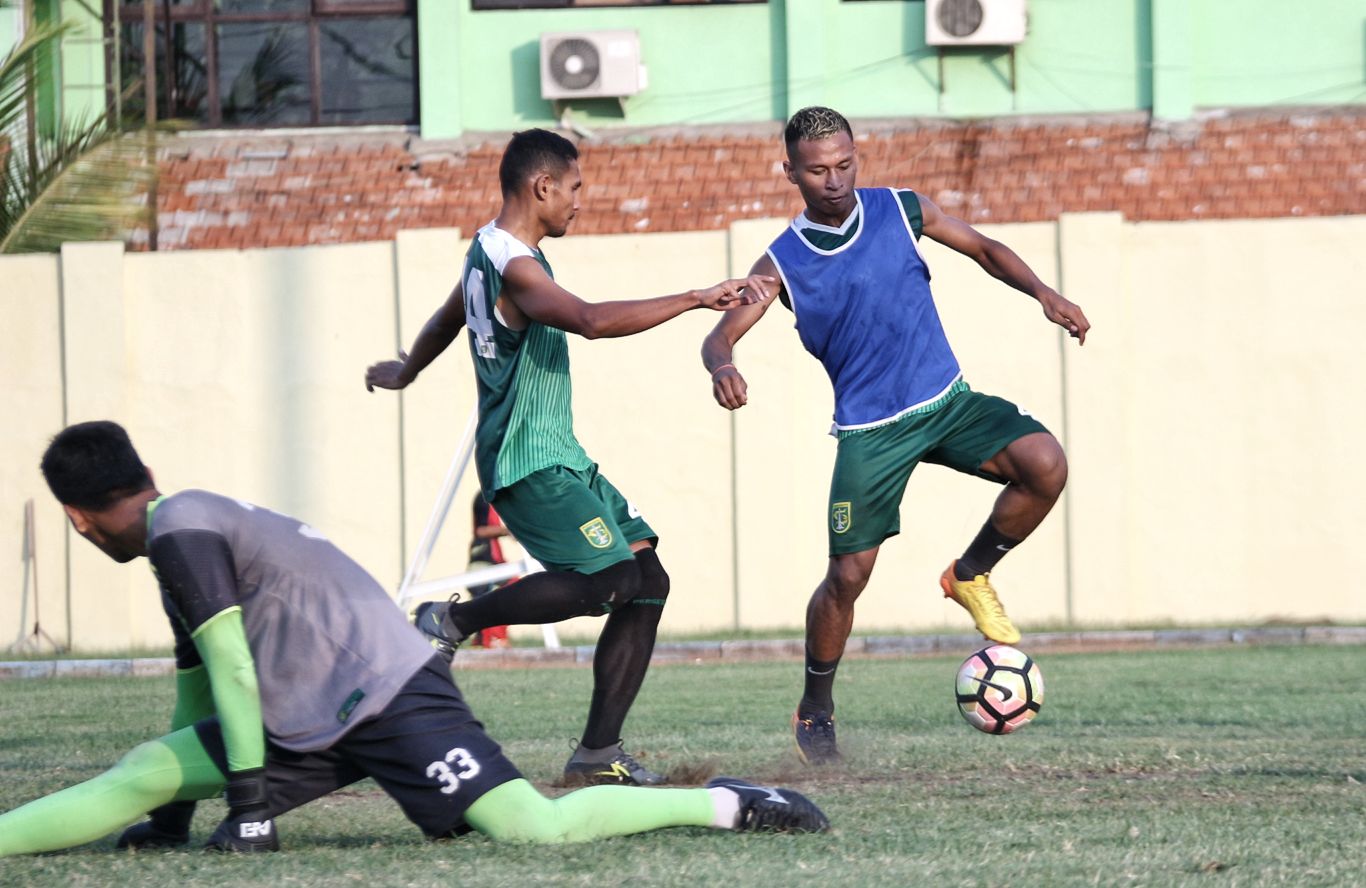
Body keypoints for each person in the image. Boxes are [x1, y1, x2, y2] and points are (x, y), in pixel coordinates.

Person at [0, 421, 828, 858]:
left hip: (392, 692)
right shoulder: (182, 521)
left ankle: (732, 804)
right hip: (313, 708)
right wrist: (175, 818)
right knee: (148, 766)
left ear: (77, 519)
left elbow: (232, 670)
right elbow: (198, 689)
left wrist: (250, 810)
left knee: (532, 828)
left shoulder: (180, 532)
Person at [365, 128, 774, 787]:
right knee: (607, 579)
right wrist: (698, 297)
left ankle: (597, 752)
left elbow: (450, 313)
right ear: (542, 187)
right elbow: (588, 320)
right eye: (576, 188)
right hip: (527, 461)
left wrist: (409, 367)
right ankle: (451, 620)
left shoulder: (490, 252)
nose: (581, 200)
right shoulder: (518, 267)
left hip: (559, 454)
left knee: (647, 581)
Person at [700, 107, 1091, 767]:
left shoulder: (902, 209)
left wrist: (1042, 292)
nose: (835, 180)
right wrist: (723, 365)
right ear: (791, 171)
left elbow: (985, 249)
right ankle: (815, 710)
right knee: (847, 578)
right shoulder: (781, 261)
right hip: (870, 434)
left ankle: (970, 574)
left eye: (845, 164)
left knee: (1045, 462)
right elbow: (722, 332)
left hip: (947, 402)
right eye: (819, 170)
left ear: (858, 156)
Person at [467, 491, 514, 648]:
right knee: (504, 592)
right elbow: (481, 530)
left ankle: (490, 638)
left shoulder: (495, 499)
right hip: (483, 560)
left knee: (513, 586)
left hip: (494, 559)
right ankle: (491, 639)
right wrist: (508, 531)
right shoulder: (484, 498)